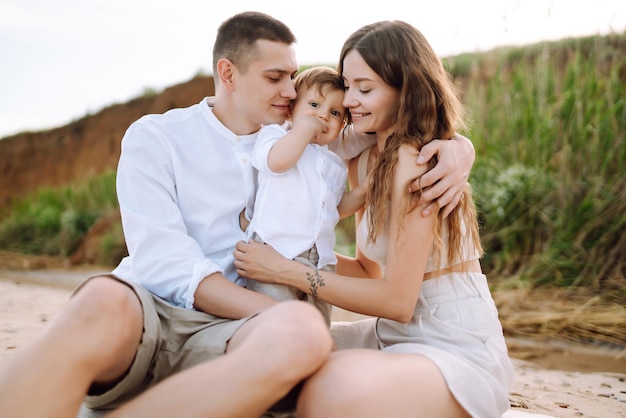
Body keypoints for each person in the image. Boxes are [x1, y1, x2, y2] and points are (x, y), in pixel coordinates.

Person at [0, 12, 475, 418]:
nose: (291, 91)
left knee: (303, 335)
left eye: (294, 77)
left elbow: (404, 124)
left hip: (240, 335)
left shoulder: (309, 140)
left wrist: (457, 149)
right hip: (159, 311)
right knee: (102, 301)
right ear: (228, 74)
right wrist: (279, 298)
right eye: (275, 79)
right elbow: (163, 259)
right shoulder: (158, 136)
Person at [234, 20, 515, 418]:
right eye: (348, 86)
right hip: (389, 334)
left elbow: (398, 301)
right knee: (268, 349)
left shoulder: (419, 161)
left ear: (407, 90)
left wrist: (287, 272)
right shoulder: (365, 159)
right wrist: (286, 253)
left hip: (452, 343)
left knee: (333, 389)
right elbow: (369, 272)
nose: (350, 101)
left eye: (365, 89)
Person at [244, 66, 367, 326]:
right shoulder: (277, 135)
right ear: (290, 110)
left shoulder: (333, 161)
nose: (323, 116)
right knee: (276, 324)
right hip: (275, 252)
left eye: (335, 113)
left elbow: (333, 209)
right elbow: (277, 162)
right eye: (314, 105)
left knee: (317, 326)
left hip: (320, 262)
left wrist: (363, 193)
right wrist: (303, 128)